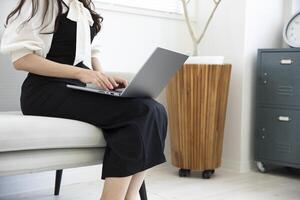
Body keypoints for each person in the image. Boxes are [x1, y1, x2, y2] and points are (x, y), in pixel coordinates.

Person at [0, 0, 168, 199]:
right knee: (140, 111)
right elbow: (22, 60)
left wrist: (104, 79)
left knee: (154, 109)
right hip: (43, 91)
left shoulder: (83, 8)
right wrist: (81, 73)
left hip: (74, 88)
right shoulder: (40, 3)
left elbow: (91, 53)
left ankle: (129, 196)